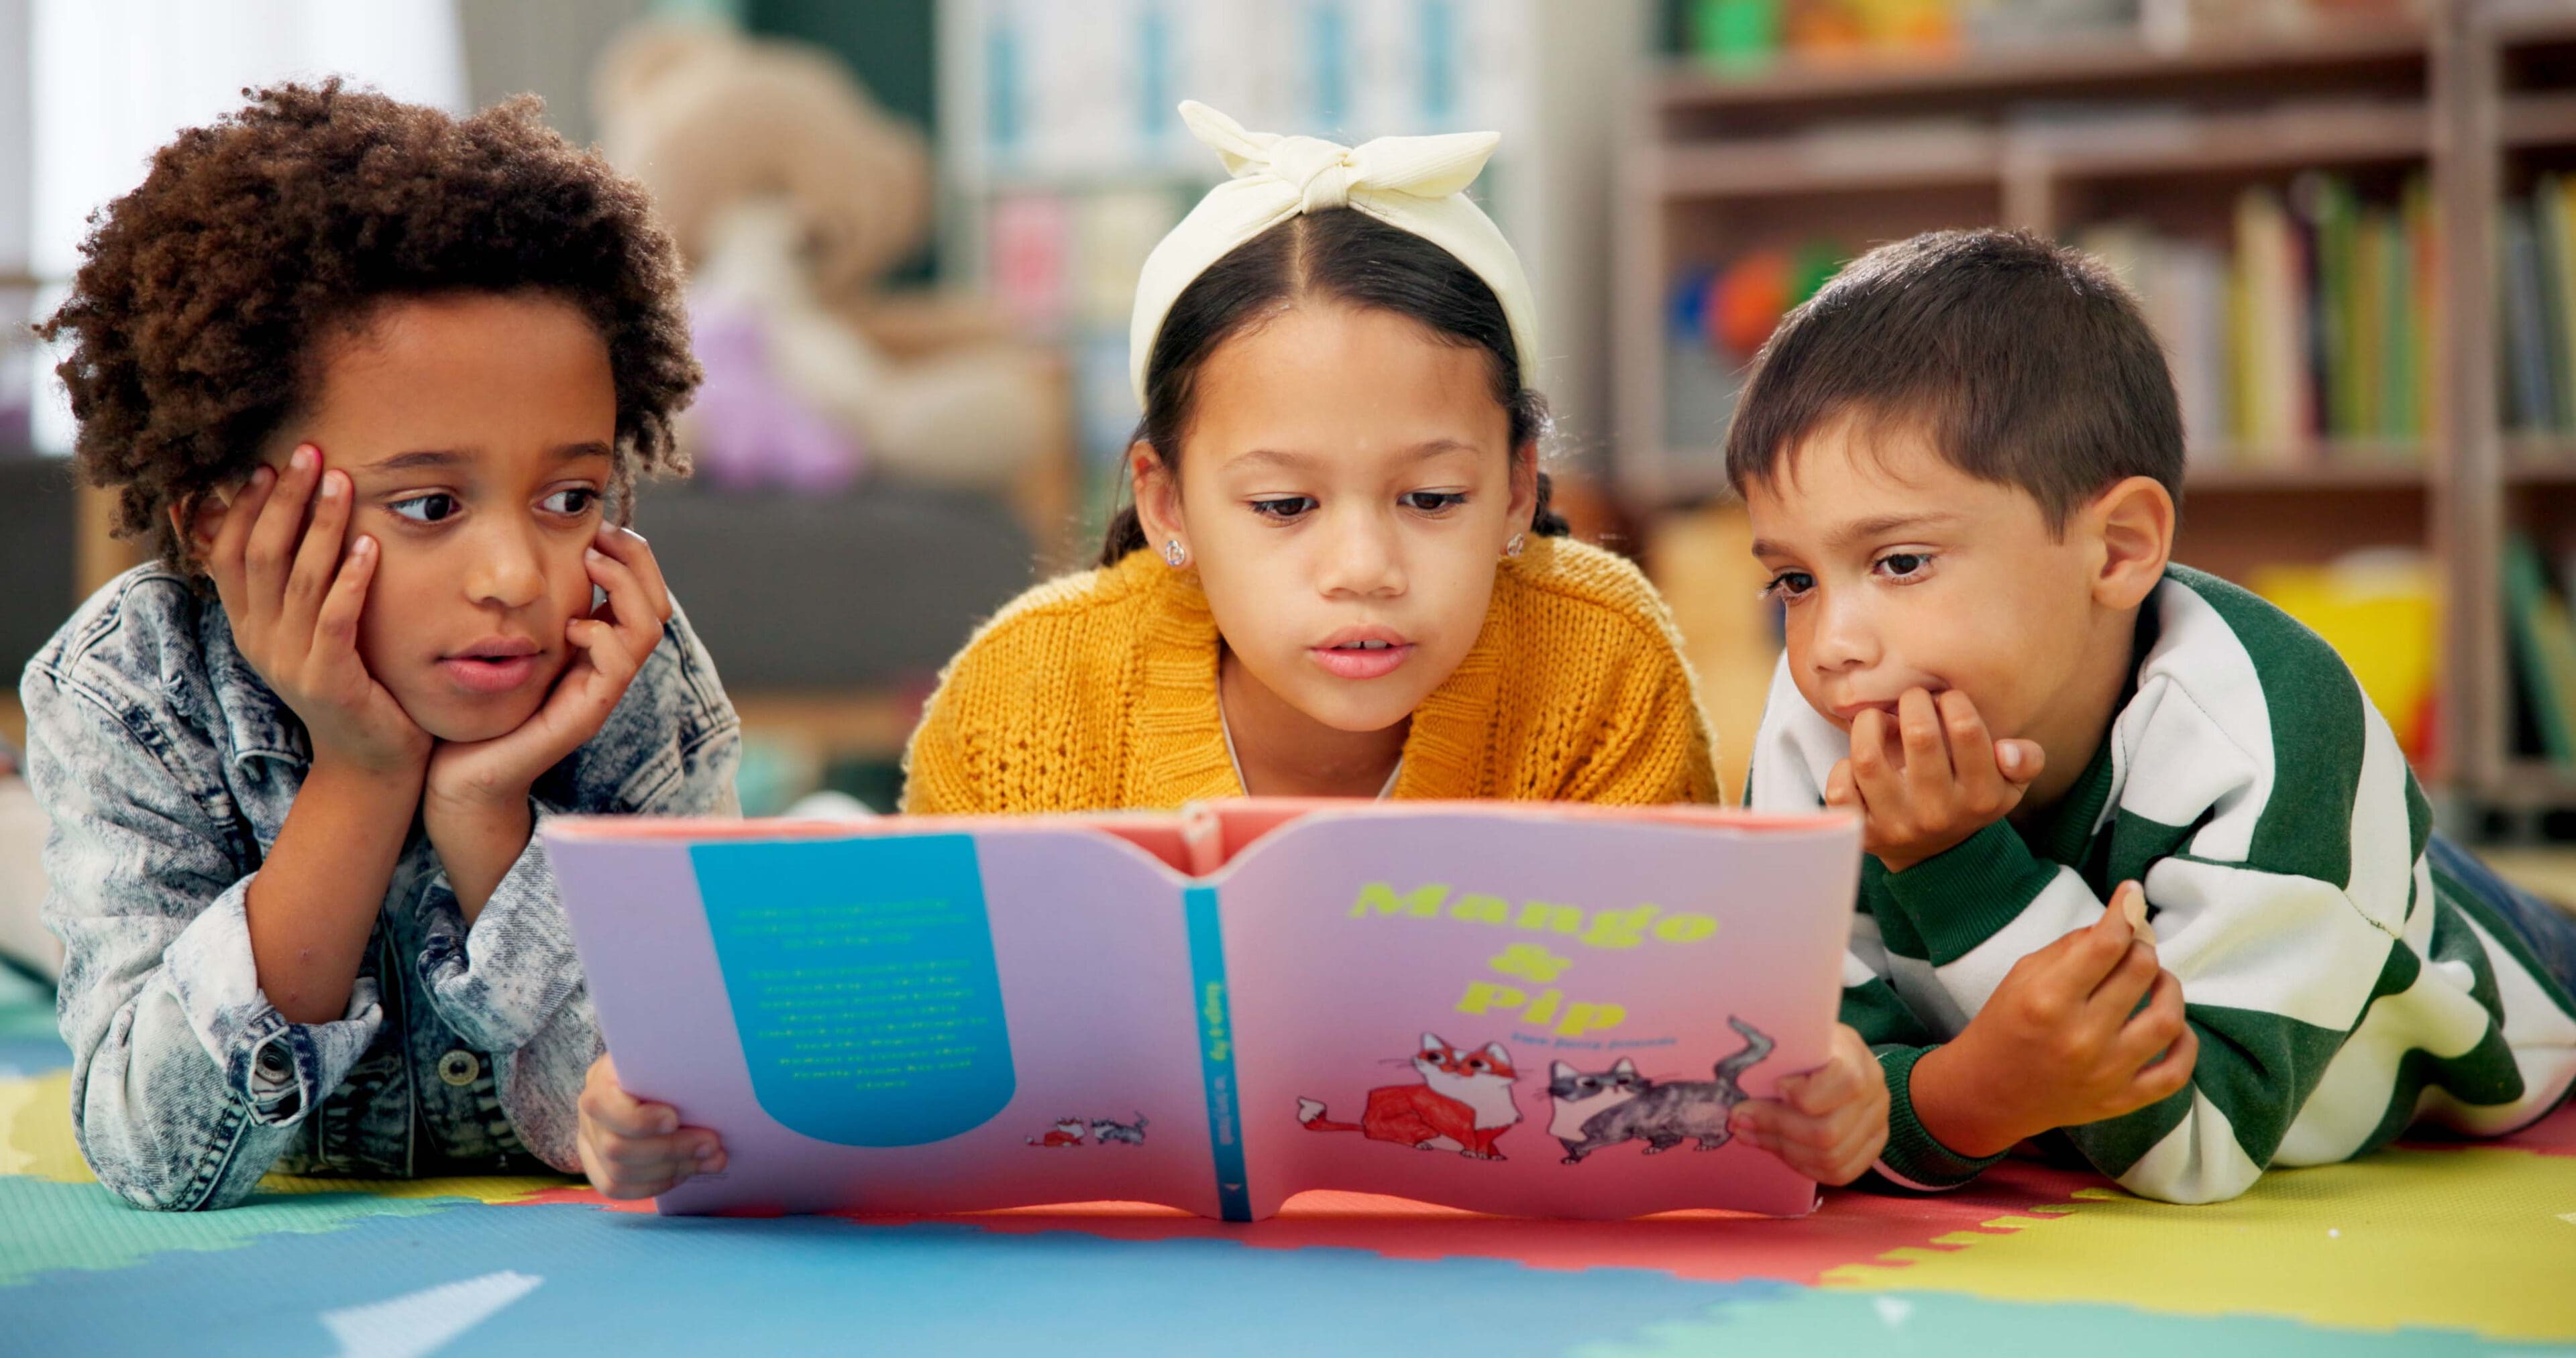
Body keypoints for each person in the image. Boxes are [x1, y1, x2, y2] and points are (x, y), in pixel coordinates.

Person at [904, 103, 1888, 1187]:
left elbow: (1675, 1050)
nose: (1364, 565)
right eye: (1284, 505)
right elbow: (925, 1065)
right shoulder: (1023, 699)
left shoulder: (1598, 666)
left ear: (1517, 486)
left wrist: (1811, 1100)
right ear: (1166, 501)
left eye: (1431, 496)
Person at [1737, 227, 2576, 1204]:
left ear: (2119, 548)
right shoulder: (1817, 718)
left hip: (2474, 975)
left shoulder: (2271, 727)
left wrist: (1955, 874)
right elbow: (1811, 1078)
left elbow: (2201, 1137)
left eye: (1901, 562)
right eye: (1794, 579)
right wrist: (1952, 1097)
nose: (1832, 642)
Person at [21, 83, 738, 1209]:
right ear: (218, 522)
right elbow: (153, 1151)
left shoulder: (624, 659)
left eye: (569, 495)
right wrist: (362, 771)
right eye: (430, 507)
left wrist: (486, 808)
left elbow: (642, 1095)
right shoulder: (125, 690)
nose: (518, 578)